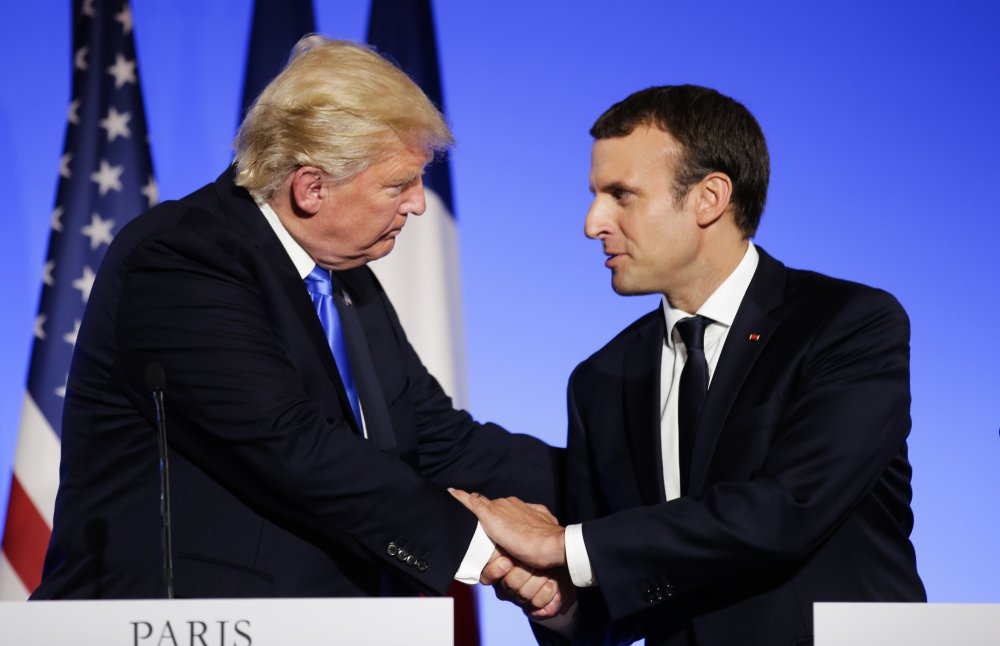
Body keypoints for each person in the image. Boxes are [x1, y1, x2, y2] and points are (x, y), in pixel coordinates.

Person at [32, 36, 563, 613]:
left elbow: (437, 439)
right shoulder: (183, 256)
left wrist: (622, 487)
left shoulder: (347, 278)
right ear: (311, 187)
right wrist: (485, 547)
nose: (417, 205)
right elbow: (288, 442)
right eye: (398, 184)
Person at [453, 84, 926, 645]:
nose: (592, 222)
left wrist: (562, 545)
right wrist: (558, 601)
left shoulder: (848, 324)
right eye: (594, 195)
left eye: (621, 195)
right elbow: (623, 588)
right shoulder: (602, 379)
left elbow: (787, 510)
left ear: (709, 198)